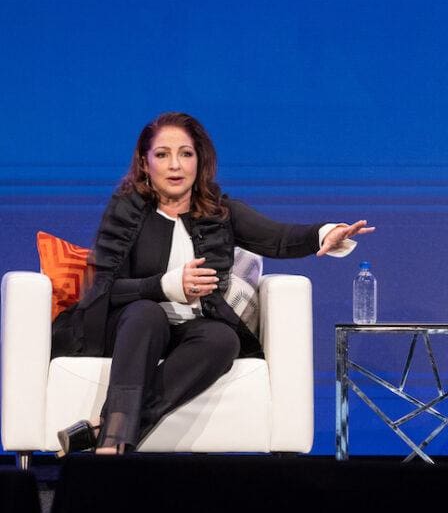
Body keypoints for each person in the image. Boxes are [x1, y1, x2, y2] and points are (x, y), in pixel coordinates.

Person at [54, 111, 374, 455]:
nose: (175, 165)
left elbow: (280, 237)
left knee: (222, 338)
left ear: (199, 161)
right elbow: (105, 288)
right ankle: (112, 444)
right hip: (131, 328)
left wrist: (327, 232)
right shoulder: (126, 211)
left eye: (186, 154)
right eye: (162, 155)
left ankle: (105, 430)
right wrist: (164, 286)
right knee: (147, 313)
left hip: (189, 331)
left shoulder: (220, 212)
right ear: (145, 164)